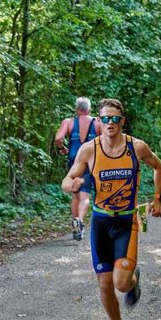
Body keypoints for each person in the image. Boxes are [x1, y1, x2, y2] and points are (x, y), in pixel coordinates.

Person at [62, 98, 161, 320]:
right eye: (105, 118)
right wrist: (70, 185)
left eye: (115, 118)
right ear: (99, 121)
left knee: (121, 283)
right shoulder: (89, 149)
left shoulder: (137, 147)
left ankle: (132, 277)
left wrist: (157, 198)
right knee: (105, 283)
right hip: (100, 221)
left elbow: (158, 166)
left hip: (128, 219)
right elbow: (68, 179)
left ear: (122, 121)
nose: (110, 123)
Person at [55, 97, 101, 240]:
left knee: (75, 196)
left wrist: (63, 148)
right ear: (89, 109)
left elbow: (58, 139)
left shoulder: (68, 122)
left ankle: (76, 221)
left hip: (74, 163)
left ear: (76, 108)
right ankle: (80, 220)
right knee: (85, 195)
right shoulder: (97, 123)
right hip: (90, 163)